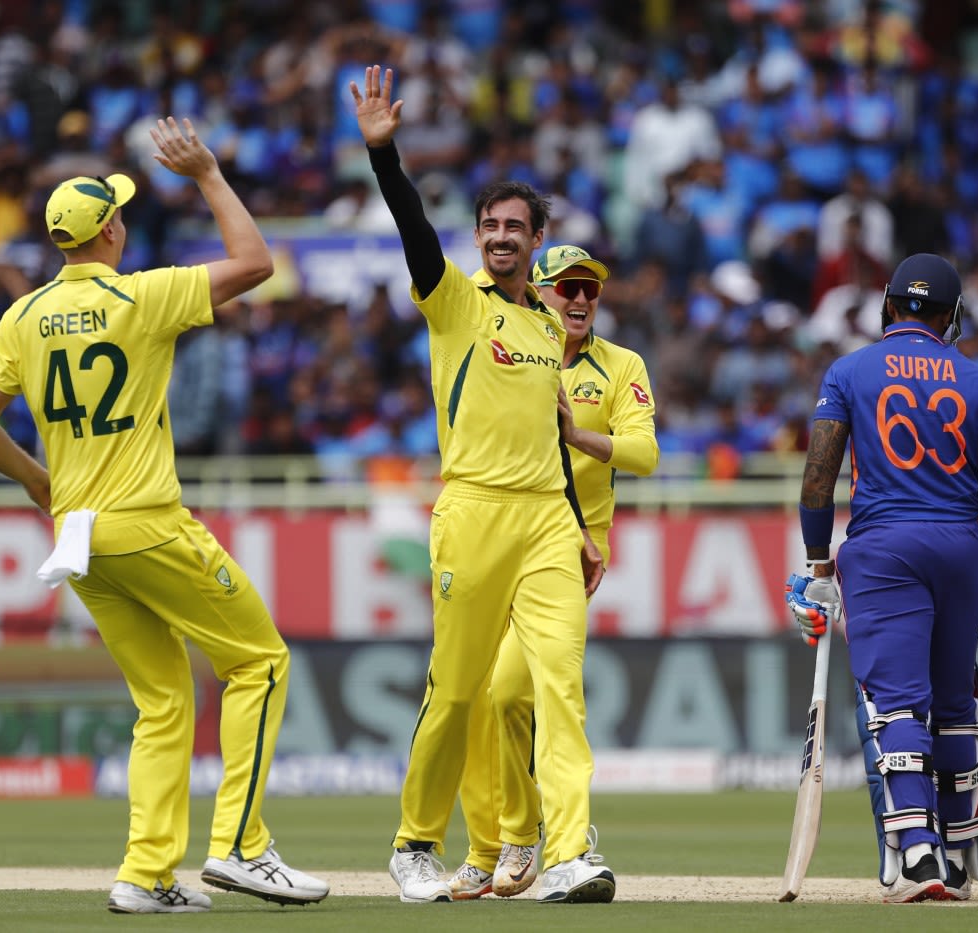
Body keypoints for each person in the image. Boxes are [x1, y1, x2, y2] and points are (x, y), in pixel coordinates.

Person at [0, 116, 329, 915]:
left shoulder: (21, 317)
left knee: (162, 701)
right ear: (113, 229)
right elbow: (258, 262)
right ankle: (241, 847)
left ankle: (146, 873)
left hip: (80, 536)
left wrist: (36, 481)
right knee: (259, 661)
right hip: (149, 520)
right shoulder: (144, 292)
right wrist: (207, 175)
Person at [350, 66, 615, 905]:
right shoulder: (454, 302)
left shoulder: (546, 324)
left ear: (538, 238)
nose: (501, 236)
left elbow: (550, 437)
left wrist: (578, 525)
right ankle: (414, 843)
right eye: (491, 225)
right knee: (456, 688)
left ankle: (569, 851)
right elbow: (412, 228)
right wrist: (384, 158)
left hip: (544, 518)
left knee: (558, 689)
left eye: (515, 226)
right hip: (471, 510)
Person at [784, 253, 978, 904]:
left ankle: (918, 854)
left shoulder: (848, 371)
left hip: (883, 548)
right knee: (955, 704)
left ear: (890, 307)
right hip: (960, 545)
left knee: (896, 700)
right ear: (951, 316)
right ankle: (959, 849)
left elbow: (818, 476)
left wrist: (817, 566)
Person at [449, 244, 659, 900]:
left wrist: (578, 436)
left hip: (566, 551)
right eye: (565, 288)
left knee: (519, 691)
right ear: (537, 291)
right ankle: (500, 840)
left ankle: (546, 839)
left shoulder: (621, 365)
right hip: (492, 536)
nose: (578, 300)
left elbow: (645, 453)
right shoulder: (508, 351)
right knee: (475, 698)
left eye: (589, 290)